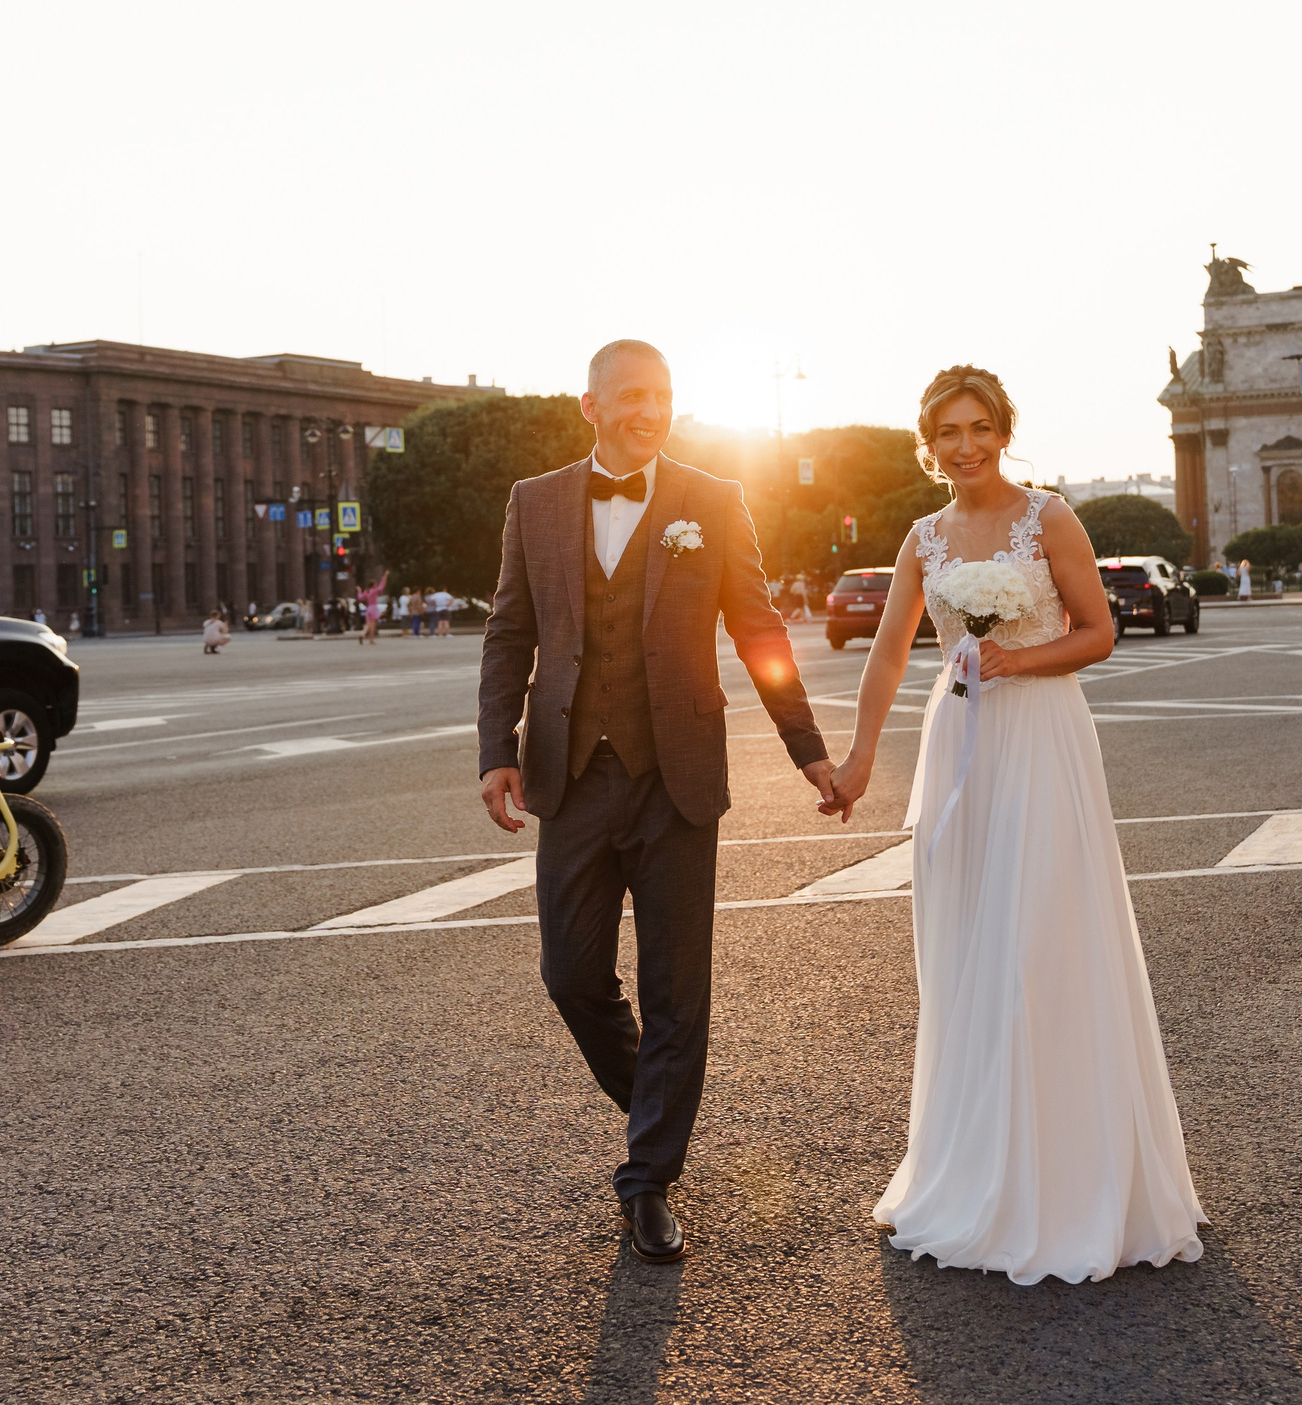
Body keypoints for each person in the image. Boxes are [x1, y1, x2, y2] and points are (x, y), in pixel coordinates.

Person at [825, 364, 1204, 1285]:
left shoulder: (1050, 516)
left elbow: (1098, 631)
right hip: (961, 739)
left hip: (1039, 736)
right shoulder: (922, 536)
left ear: (1003, 429)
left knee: (1043, 938)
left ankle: (1072, 1182)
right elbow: (885, 657)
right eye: (948, 432)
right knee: (969, 949)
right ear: (929, 442)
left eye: (979, 427)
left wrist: (1015, 658)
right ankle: (977, 1169)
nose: (965, 446)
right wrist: (860, 758)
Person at [477, 338, 837, 1266]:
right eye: (631, 395)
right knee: (571, 975)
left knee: (680, 989)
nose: (649, 409)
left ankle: (647, 1181)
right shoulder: (536, 500)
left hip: (676, 780)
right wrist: (495, 754)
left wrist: (808, 750)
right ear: (589, 405)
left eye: (664, 395)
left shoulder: (712, 501)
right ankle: (657, 1098)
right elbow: (510, 632)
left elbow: (758, 627)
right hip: (568, 778)